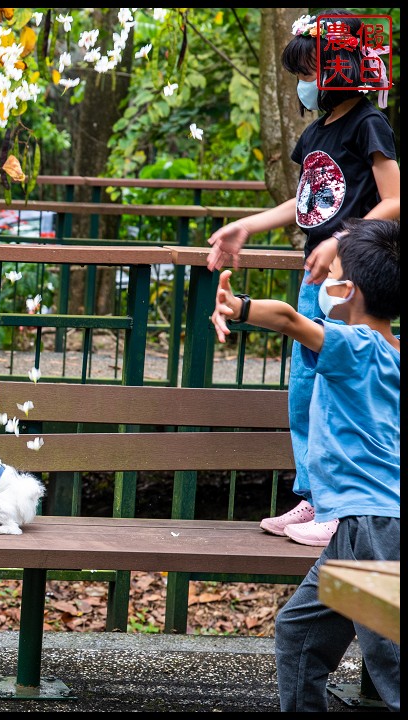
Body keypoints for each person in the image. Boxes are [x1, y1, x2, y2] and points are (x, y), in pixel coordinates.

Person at [206, 10, 399, 546]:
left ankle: (344, 505)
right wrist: (248, 225)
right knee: (304, 392)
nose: (304, 83)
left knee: (339, 393)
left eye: (310, 70)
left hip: (351, 280)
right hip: (315, 274)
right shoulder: (318, 130)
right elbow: (307, 201)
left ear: (341, 67)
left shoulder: (368, 124)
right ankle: (314, 496)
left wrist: (343, 239)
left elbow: (396, 199)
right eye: (299, 73)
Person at [211, 218, 400, 712]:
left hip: (373, 528)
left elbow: (293, 321)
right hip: (362, 528)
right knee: (301, 632)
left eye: (328, 274)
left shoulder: (356, 347)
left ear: (348, 291)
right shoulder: (394, 354)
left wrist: (241, 307)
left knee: (391, 661)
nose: (319, 283)